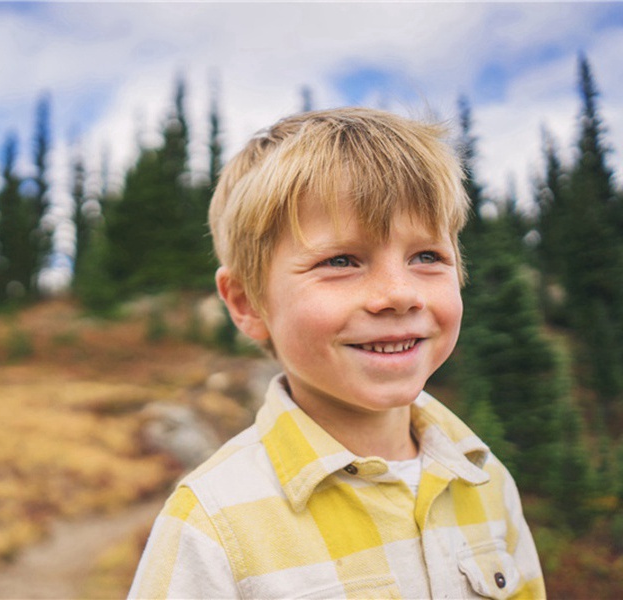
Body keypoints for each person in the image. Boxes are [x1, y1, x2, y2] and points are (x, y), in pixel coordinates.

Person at [128, 107, 545, 599]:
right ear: (247, 303)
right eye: (342, 261)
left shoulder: (486, 478)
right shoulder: (210, 525)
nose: (399, 293)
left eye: (427, 256)